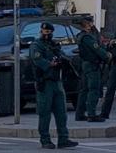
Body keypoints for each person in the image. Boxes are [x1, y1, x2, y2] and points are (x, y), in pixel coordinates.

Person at [29, 22, 79, 150]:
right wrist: (50, 64)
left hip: (57, 81)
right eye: (45, 32)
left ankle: (63, 138)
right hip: (44, 82)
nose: (47, 34)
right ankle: (45, 139)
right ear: (41, 32)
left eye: (49, 32)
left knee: (61, 112)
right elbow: (38, 60)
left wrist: (62, 60)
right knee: (45, 112)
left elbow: (62, 56)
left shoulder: (53, 45)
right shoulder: (36, 45)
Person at [75, 17, 111, 122]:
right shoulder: (87, 37)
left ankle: (80, 114)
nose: (92, 25)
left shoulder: (83, 35)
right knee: (93, 90)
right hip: (92, 65)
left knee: (84, 90)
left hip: (86, 64)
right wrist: (107, 56)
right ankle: (91, 114)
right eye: (90, 23)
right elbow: (97, 49)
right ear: (86, 24)